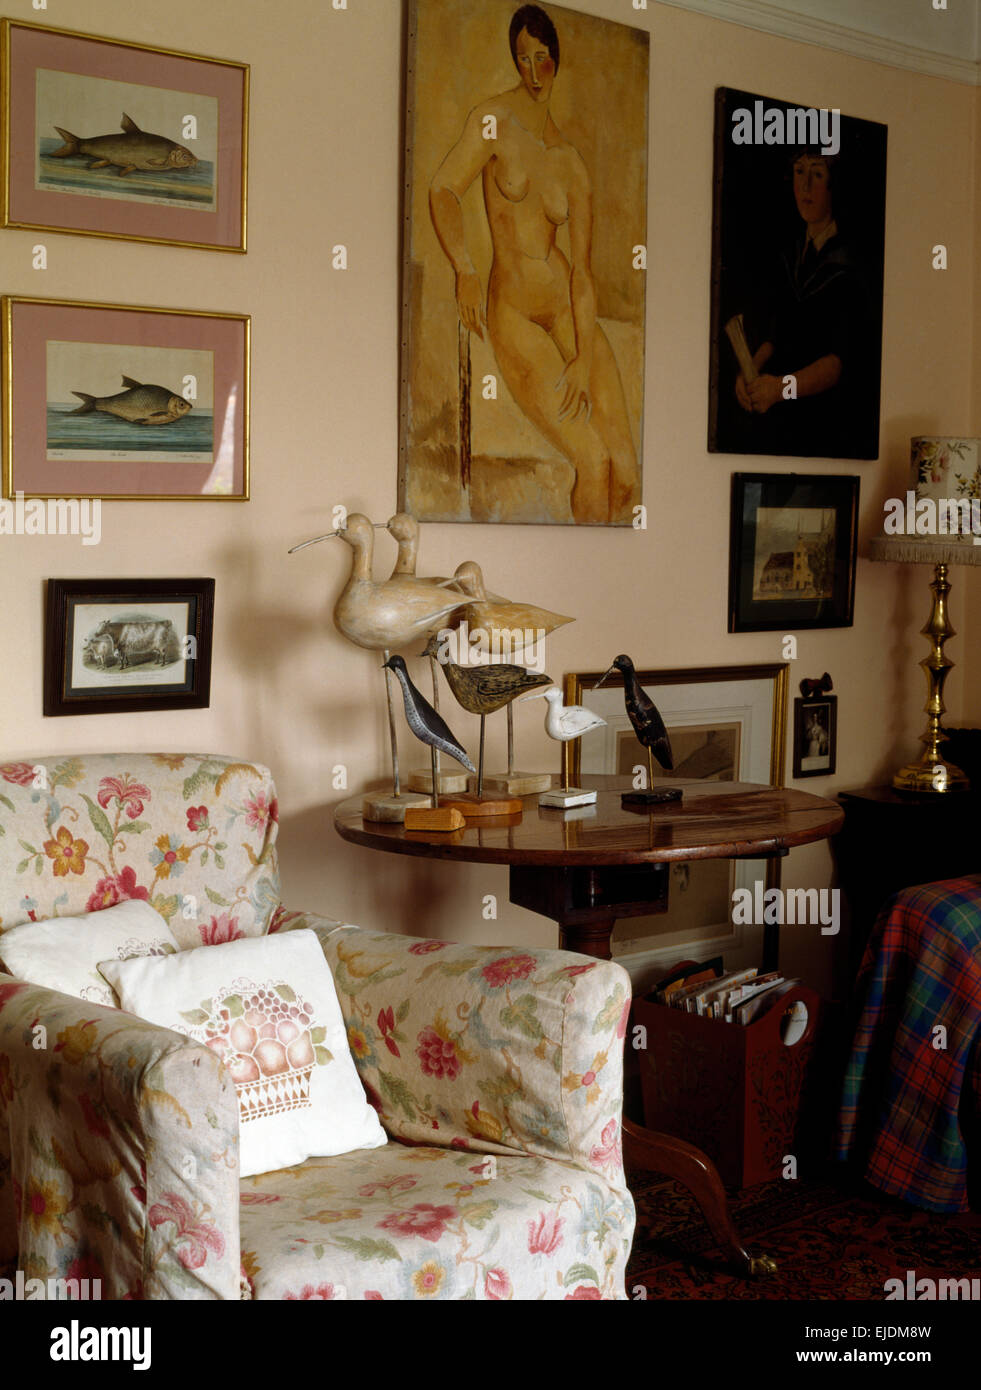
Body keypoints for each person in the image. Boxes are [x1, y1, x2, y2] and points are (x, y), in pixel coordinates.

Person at [429, 4, 640, 523]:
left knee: (629, 474)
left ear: (556, 61)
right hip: (515, 312)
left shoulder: (570, 162)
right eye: (522, 60)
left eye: (542, 58)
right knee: (592, 461)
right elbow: (443, 189)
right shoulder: (493, 122)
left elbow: (583, 273)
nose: (532, 72)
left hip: (568, 307)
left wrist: (584, 356)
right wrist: (464, 268)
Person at [734, 147, 872, 458]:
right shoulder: (791, 255)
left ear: (834, 186)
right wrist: (750, 371)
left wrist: (780, 389)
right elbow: (775, 335)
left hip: (822, 426)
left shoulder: (847, 267)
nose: (805, 187)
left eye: (818, 174)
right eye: (800, 172)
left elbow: (837, 364)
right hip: (779, 418)